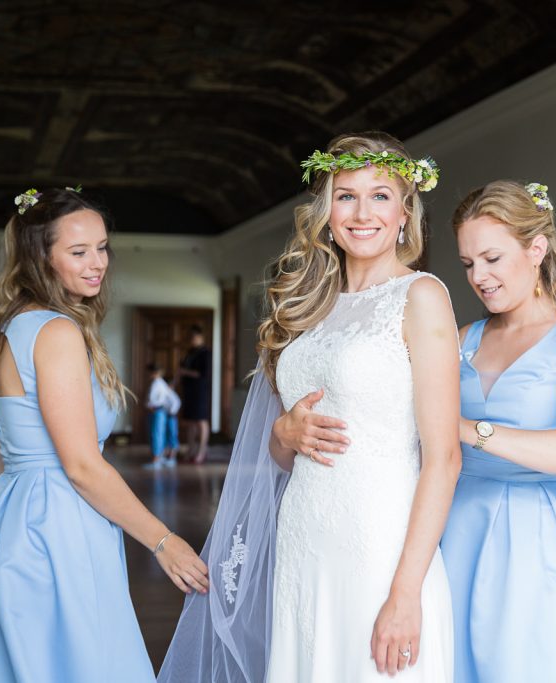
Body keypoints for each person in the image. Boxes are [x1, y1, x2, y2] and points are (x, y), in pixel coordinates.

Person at [160, 132, 460, 683]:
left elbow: (444, 459)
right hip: (304, 538)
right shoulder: (312, 305)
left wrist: (404, 593)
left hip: (379, 544)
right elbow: (281, 453)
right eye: (346, 196)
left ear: (405, 210)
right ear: (326, 211)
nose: (362, 212)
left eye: (380, 195)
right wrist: (283, 431)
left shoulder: (421, 297)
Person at [0, 187, 209, 683]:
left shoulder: (3, 331)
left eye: (102, 247)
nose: (97, 263)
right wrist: (163, 540)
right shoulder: (56, 333)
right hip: (57, 526)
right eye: (78, 251)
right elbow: (82, 466)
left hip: (4, 523)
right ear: (40, 258)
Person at [441, 180, 556, 682]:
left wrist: (467, 429)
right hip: (457, 523)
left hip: (538, 530)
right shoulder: (461, 338)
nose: (480, 277)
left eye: (492, 259)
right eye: (469, 264)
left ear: (536, 249)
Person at [179, 326, 211, 464]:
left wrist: (185, 372)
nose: (192, 340)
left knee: (201, 420)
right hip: (188, 390)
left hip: (200, 390)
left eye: (194, 337)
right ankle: (191, 449)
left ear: (200, 337)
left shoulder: (206, 353)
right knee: (190, 421)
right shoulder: (190, 352)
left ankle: (202, 451)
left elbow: (203, 373)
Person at [145, 364, 178, 469]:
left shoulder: (158, 384)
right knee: (158, 434)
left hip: (158, 411)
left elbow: (159, 400)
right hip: (158, 411)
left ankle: (156, 460)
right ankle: (159, 457)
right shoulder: (160, 383)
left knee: (157, 434)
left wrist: (150, 405)